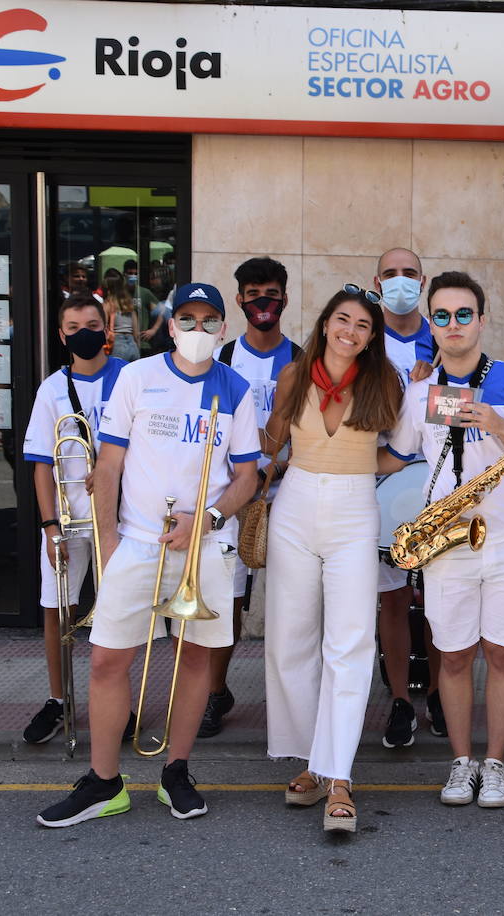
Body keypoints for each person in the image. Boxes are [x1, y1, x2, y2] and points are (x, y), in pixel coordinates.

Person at [35, 282, 260, 828]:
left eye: (210, 321)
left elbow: (248, 476)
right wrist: (109, 545)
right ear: (171, 324)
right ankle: (103, 782)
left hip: (205, 545)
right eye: (188, 319)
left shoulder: (235, 388)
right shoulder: (136, 377)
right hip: (135, 543)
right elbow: (107, 468)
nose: (199, 330)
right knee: (108, 660)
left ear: (223, 329)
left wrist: (206, 520)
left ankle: (175, 772)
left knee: (195, 659)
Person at [379, 271, 504, 809]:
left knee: (502, 653)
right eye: (442, 315)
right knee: (453, 657)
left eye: (463, 314)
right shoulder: (420, 392)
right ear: (431, 323)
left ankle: (495, 763)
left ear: (481, 320)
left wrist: (500, 424)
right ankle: (461, 762)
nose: (452, 324)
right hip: (447, 542)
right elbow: (395, 456)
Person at [264, 286, 403, 834]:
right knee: (290, 638)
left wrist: (359, 468)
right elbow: (271, 442)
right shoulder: (293, 375)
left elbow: (401, 449)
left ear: (371, 337)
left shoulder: (384, 382)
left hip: (353, 505)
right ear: (325, 324)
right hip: (295, 502)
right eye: (342, 319)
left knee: (350, 642)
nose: (350, 330)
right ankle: (313, 762)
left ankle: (340, 775)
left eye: (362, 325)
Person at [197, 257, 302, 739]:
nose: (264, 302)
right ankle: (216, 692)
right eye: (254, 293)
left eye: (272, 293)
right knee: (227, 601)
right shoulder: (221, 359)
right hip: (235, 498)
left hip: (289, 495)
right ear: (239, 299)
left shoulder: (301, 359)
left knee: (291, 604)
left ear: (285, 298)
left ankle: (291, 698)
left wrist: (278, 464)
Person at [21, 293, 128, 744]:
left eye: (92, 325)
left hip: (121, 521)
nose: (83, 333)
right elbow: (41, 464)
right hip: (68, 521)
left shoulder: (129, 378)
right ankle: (58, 699)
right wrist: (50, 528)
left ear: (107, 330)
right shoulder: (51, 389)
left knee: (120, 614)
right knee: (57, 610)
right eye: (73, 327)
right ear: (62, 336)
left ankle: (119, 702)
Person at [371, 247, 442, 748]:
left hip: (436, 484)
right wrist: (401, 396)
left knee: (439, 598)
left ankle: (438, 693)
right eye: (391, 274)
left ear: (424, 280)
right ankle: (400, 700)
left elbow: (459, 410)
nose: (401, 282)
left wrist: (429, 391)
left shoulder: (441, 336)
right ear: (377, 283)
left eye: (410, 273)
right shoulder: (364, 339)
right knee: (392, 598)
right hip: (381, 483)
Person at [103, 270, 139, 362]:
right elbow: (136, 333)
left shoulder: (108, 304)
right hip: (133, 346)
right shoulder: (129, 304)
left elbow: (103, 328)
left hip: (117, 346)